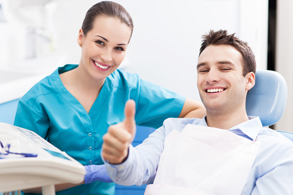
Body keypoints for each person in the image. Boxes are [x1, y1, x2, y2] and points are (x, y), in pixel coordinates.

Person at [13, 1, 205, 195]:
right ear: (81, 37)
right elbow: (23, 180)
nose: (107, 57)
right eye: (100, 42)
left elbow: (197, 112)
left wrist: (149, 153)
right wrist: (88, 174)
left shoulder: (129, 89)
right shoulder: (38, 101)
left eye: (119, 48)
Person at [102, 30, 293, 195]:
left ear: (249, 80)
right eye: (203, 70)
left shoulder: (277, 153)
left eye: (224, 68)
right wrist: (121, 156)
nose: (211, 77)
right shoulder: (172, 130)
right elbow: (133, 171)